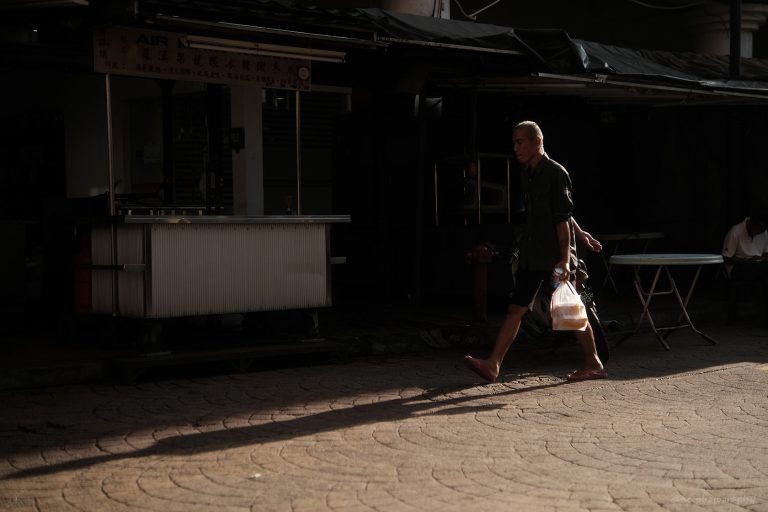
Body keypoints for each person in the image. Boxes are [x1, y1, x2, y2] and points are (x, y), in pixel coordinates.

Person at [463, 121, 606, 383]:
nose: (515, 147)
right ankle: (493, 364)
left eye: (520, 142)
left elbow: (561, 219)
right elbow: (561, 212)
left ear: (536, 141)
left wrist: (564, 262)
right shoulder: (527, 172)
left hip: (553, 256)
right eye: (514, 142)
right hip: (532, 254)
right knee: (515, 309)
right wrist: (583, 233)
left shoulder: (555, 173)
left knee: (568, 309)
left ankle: (593, 362)